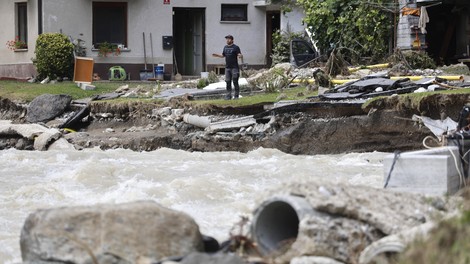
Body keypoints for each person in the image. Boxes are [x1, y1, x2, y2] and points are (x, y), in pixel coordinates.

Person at [212, 35, 243, 100]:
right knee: (228, 82)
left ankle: (236, 96)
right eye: (227, 39)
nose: (227, 40)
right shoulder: (225, 47)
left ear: (232, 40)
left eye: (229, 39)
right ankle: (228, 96)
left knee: (235, 81)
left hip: (234, 67)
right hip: (227, 68)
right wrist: (217, 55)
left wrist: (240, 56)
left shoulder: (236, 47)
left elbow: (239, 54)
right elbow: (223, 55)